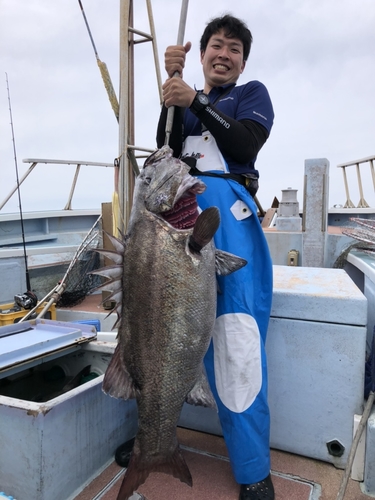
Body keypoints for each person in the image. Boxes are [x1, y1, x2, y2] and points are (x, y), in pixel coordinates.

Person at [156, 14, 275, 500]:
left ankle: (253, 469)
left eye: (234, 49)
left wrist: (197, 101)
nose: (223, 54)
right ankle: (153, 438)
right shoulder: (183, 102)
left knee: (237, 341)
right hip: (175, 225)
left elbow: (244, 142)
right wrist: (172, 89)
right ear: (201, 54)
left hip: (232, 227)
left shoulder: (252, 96)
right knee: (162, 333)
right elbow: (163, 152)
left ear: (243, 61)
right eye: (216, 46)